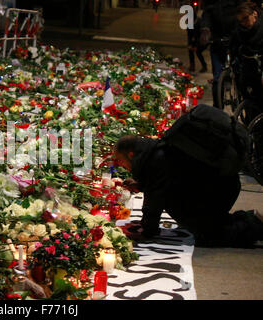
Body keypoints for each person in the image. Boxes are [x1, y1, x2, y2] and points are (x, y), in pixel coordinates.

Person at [113, 134, 263, 247]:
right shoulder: (153, 151)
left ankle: (255, 227)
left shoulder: (155, 160)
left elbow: (156, 197)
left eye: (120, 161)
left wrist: (147, 231)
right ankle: (249, 218)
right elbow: (161, 182)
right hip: (220, 183)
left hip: (217, 188)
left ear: (131, 154)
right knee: (211, 223)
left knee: (208, 235)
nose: (122, 166)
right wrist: (141, 185)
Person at [199, 0, 242, 108]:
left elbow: (242, 11)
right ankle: (217, 107)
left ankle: (242, 101)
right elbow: (207, 15)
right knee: (217, 78)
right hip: (217, 41)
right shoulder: (212, 5)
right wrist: (206, 30)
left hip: (235, 39)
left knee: (240, 73)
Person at [230, 1, 263, 123]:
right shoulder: (240, 31)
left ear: (254, 14)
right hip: (248, 69)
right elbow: (234, 46)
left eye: (245, 18)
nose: (244, 23)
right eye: (241, 21)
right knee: (250, 102)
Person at [187, 8, 208, 73]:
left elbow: (200, 36)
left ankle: (204, 66)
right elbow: (189, 35)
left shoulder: (199, 22)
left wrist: (196, 46)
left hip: (203, 40)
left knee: (198, 51)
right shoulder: (189, 23)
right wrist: (190, 44)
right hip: (195, 40)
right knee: (190, 49)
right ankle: (192, 65)